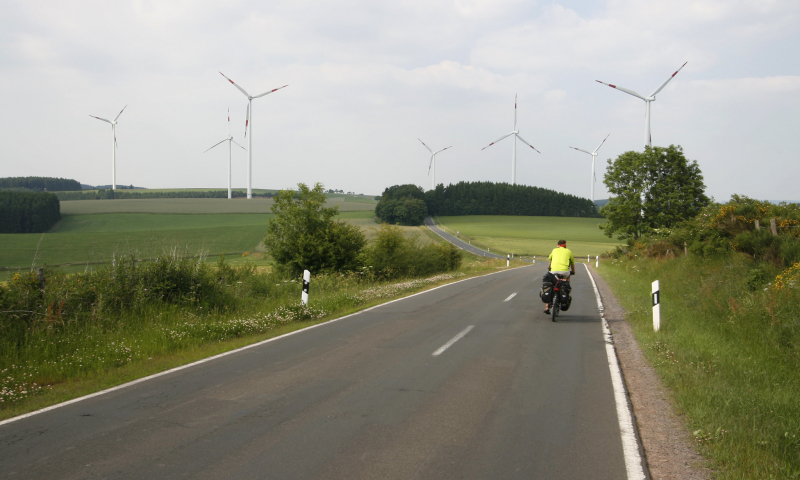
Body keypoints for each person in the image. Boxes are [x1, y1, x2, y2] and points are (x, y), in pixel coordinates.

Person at [544, 239, 575, 314]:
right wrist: (573, 272)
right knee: (567, 277)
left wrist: (549, 268)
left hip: (553, 271)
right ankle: (566, 290)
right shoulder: (568, 251)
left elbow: (550, 261)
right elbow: (572, 263)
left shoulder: (554, 250)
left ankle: (547, 307)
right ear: (565, 245)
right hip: (564, 272)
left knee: (551, 285)